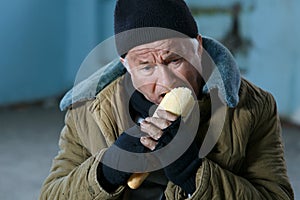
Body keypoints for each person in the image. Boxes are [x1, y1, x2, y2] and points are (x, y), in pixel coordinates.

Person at [39, 0, 294, 199]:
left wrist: (195, 175)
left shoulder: (253, 107)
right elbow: (51, 195)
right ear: (126, 66)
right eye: (146, 66)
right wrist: (106, 171)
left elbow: (276, 195)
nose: (166, 82)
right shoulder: (87, 112)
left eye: (175, 60)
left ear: (198, 47)